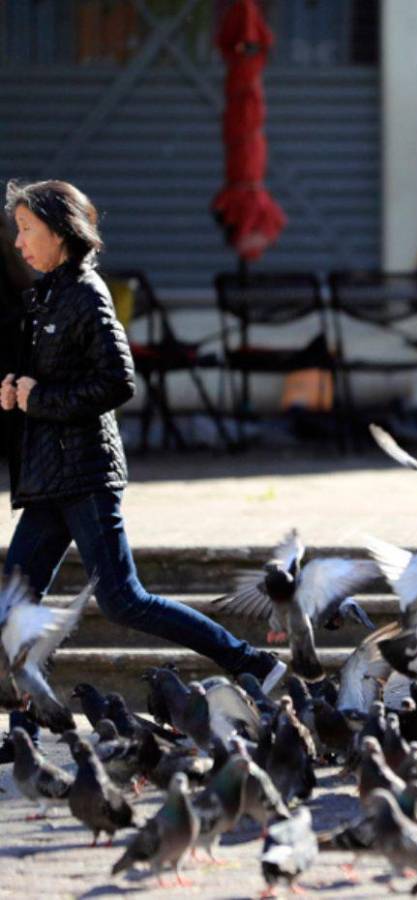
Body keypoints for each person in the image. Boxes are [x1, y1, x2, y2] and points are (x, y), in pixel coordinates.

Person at [1, 181, 285, 733]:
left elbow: (117, 381)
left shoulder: (86, 292)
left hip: (83, 473)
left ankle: (253, 663)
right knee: (14, 608)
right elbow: (56, 379)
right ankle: (28, 735)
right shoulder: (46, 297)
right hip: (48, 476)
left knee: (124, 600)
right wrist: (18, 387)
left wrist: (43, 398)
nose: (18, 242)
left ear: (60, 234)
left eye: (27, 229)